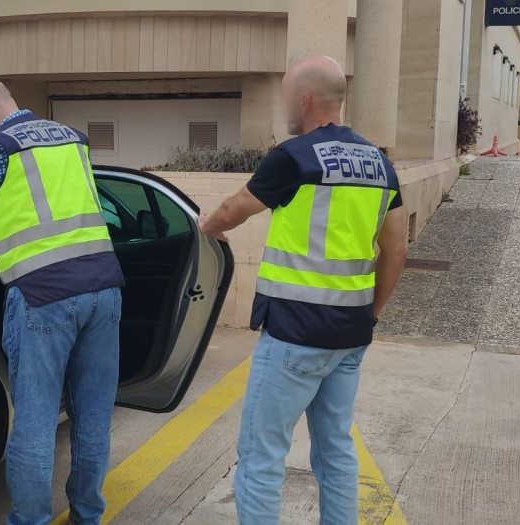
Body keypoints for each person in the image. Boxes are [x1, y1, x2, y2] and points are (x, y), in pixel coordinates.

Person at [198, 55, 409, 525]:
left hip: (294, 332)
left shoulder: (294, 156)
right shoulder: (380, 164)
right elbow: (396, 251)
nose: (286, 105)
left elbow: (235, 209)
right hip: (349, 335)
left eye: (288, 95)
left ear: (306, 99)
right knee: (336, 451)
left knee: (260, 457)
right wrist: (369, 315)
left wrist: (207, 226)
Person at [0, 78, 126, 525]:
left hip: (43, 297)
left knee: (35, 427)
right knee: (92, 420)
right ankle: (87, 516)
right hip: (104, 289)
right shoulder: (71, 139)